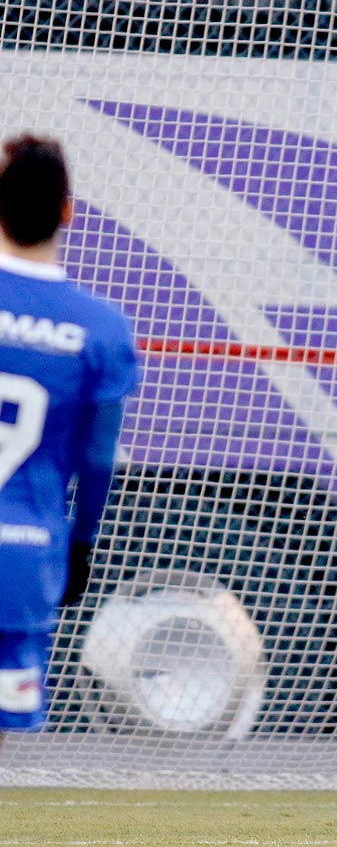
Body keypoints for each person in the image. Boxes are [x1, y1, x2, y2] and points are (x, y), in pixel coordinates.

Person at [0, 134, 139, 753]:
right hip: (25, 555)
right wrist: (81, 546)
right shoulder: (102, 329)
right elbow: (98, 461)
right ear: (68, 211)